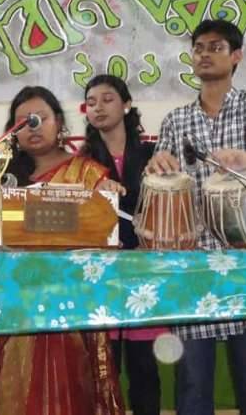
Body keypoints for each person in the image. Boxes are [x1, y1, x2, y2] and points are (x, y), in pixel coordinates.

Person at [146, 19, 246, 415]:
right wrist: (159, 165)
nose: (204, 54)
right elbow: (164, 179)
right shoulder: (176, 120)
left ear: (236, 56)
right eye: (198, 47)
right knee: (192, 388)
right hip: (194, 265)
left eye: (215, 47)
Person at [0, 86, 124, 415]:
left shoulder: (87, 174)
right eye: (24, 122)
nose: (33, 127)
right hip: (16, 305)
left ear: (59, 123)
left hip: (71, 303)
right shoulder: (5, 179)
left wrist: (103, 198)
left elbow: (104, 234)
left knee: (69, 390)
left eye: (40, 119)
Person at [80, 74, 166, 415]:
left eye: (107, 99)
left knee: (145, 370)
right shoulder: (82, 163)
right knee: (104, 370)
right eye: (91, 102)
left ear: (126, 104)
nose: (98, 108)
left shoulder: (152, 155)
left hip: (144, 272)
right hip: (101, 276)